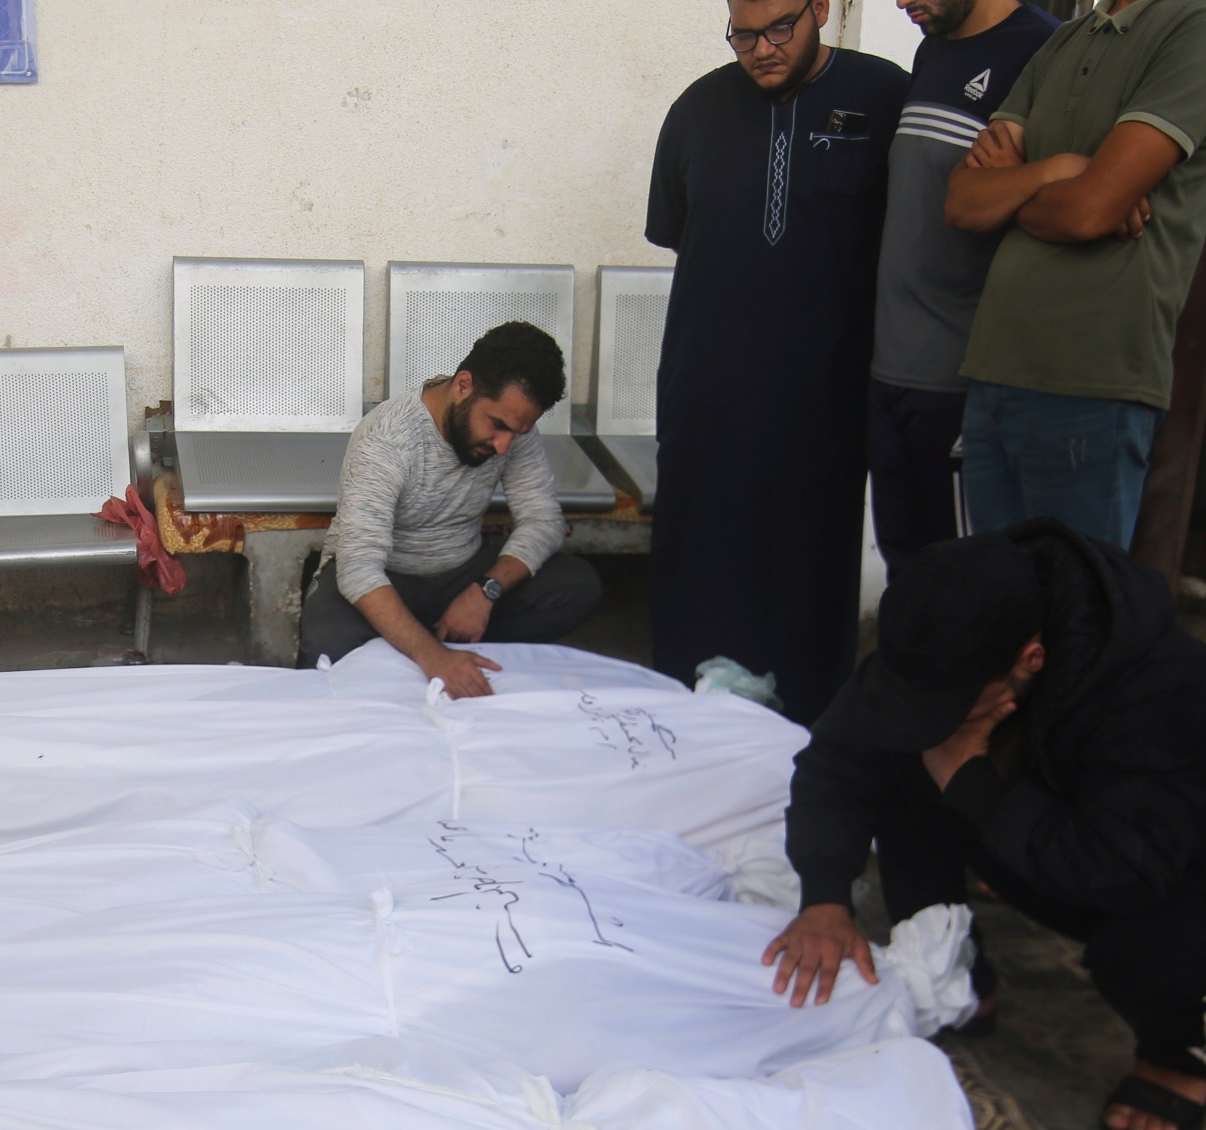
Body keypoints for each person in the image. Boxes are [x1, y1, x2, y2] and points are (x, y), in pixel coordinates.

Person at [768, 524, 1206, 1130]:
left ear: (1030, 659)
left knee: (1149, 953)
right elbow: (838, 761)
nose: (935, 716)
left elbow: (1125, 873)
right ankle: (957, 972)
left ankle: (1177, 1060)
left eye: (954, 703)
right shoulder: (948, 629)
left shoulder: (1165, 687)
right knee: (909, 758)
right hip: (1078, 837)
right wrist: (825, 897)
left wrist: (969, 780)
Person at [648, 0, 908, 723]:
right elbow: (679, 230)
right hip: (708, 390)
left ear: (821, 8)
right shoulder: (696, 110)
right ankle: (680, 726)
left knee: (808, 566)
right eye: (742, 33)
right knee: (697, 561)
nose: (760, 48)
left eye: (779, 29)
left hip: (824, 397)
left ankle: (803, 742)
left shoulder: (883, 97)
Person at [943, 0, 1206, 548]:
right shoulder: (1068, 38)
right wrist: (1061, 170)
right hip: (995, 367)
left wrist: (1022, 185)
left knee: (1076, 615)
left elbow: (1091, 211)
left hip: (1090, 378)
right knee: (999, 615)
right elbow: (964, 201)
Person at [297, 320, 601, 696]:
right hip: (386, 576)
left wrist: (484, 591)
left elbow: (543, 520)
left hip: (462, 573)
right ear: (462, 386)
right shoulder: (388, 437)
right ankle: (437, 649)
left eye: (516, 433)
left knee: (575, 585)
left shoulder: (512, 428)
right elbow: (359, 567)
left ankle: (442, 646)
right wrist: (435, 658)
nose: (504, 446)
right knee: (325, 644)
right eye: (497, 426)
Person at [867, 0, 1057, 578]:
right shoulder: (934, 48)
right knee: (908, 570)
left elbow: (1061, 203)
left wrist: (1046, 174)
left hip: (960, 381)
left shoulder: (1044, 51)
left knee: (967, 581)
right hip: (888, 370)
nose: (900, 2)